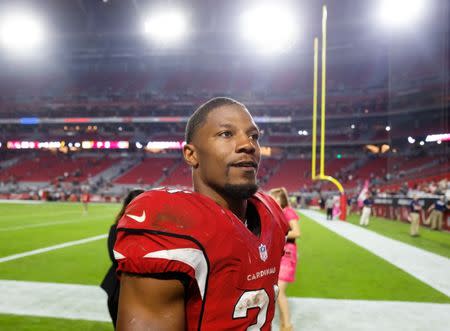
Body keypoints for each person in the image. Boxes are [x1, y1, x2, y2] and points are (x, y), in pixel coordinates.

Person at [114, 97, 289, 330]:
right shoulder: (169, 225)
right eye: (226, 134)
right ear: (191, 154)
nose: (248, 144)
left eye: (253, 136)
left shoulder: (270, 215)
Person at [100, 188, 145, 329]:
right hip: (120, 288)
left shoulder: (153, 230)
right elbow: (115, 258)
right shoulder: (117, 228)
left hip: (140, 289)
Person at [269, 187, 300, 331]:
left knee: (279, 291)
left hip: (288, 255)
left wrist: (281, 235)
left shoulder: (288, 211)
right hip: (279, 254)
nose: (271, 200)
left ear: (281, 199)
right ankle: (283, 323)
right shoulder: (276, 212)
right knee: (276, 290)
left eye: (274, 197)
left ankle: (287, 325)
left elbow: (297, 232)